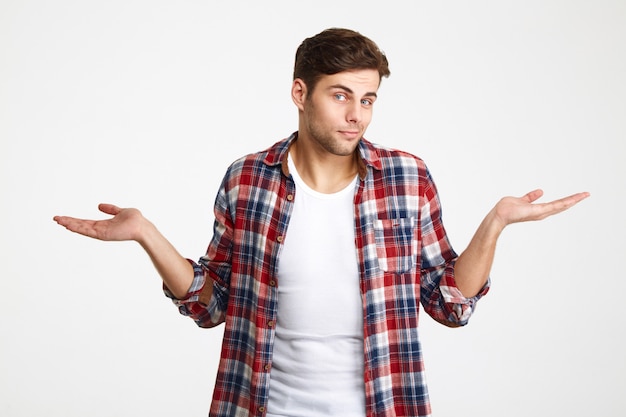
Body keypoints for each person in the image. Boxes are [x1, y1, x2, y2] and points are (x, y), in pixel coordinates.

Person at [53, 28, 589, 417]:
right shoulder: (247, 180)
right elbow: (212, 302)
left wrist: (494, 224)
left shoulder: (406, 177)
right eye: (340, 96)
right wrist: (147, 234)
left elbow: (447, 304)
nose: (357, 114)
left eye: (368, 99)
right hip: (262, 406)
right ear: (300, 94)